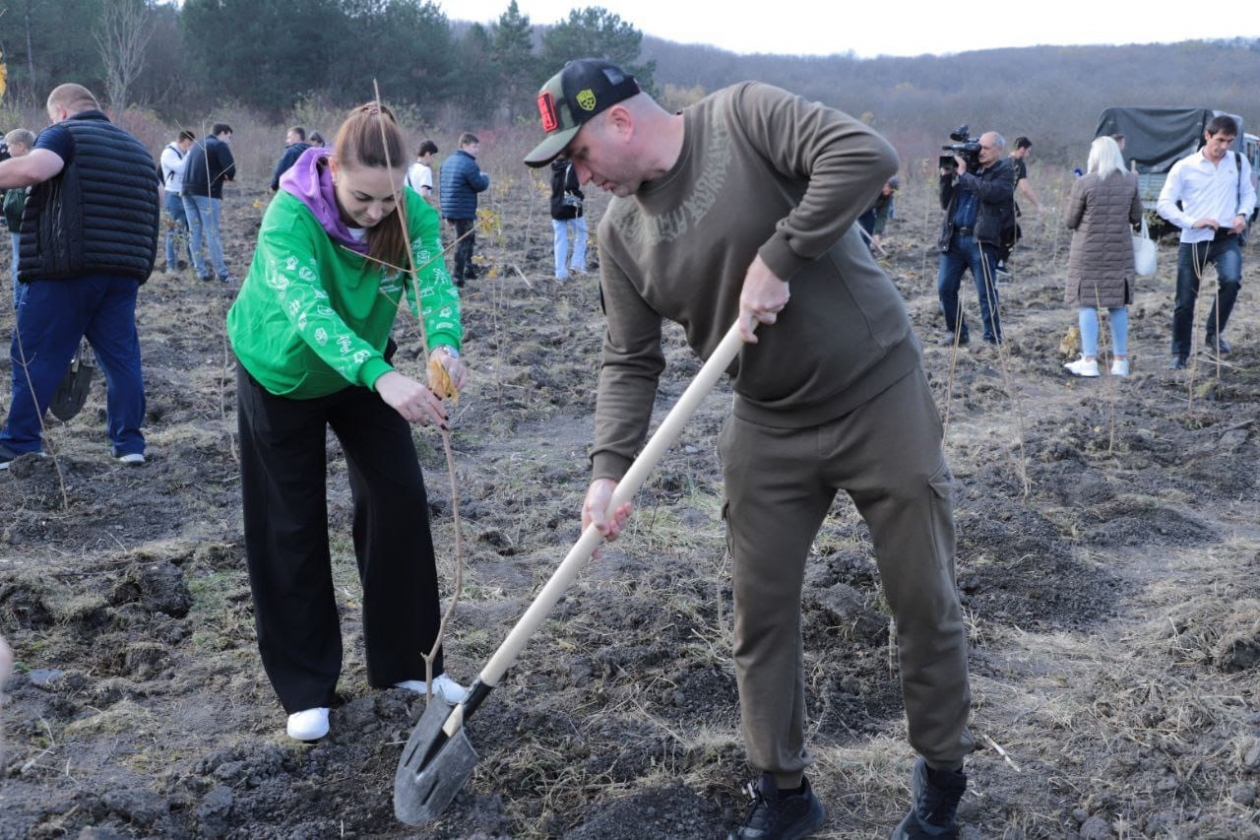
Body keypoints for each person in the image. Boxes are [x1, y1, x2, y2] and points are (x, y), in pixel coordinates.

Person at [524, 59, 974, 840]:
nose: (579, 175)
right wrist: (607, 475)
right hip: (766, 420)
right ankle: (784, 793)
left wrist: (781, 255)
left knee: (921, 599)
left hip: (878, 393)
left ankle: (940, 779)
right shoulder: (619, 232)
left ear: (619, 123)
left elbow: (866, 156)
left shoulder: (742, 117)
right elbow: (629, 362)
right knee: (758, 615)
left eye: (580, 155)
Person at [226, 102, 468, 742]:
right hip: (284, 370)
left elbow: (435, 281)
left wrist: (444, 344)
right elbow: (310, 315)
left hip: (364, 370)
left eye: (389, 200)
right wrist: (384, 377)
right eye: (363, 197)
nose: (377, 212)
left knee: (400, 499)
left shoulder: (406, 211)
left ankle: (410, 663)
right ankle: (306, 686)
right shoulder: (289, 217)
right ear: (332, 168)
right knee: (291, 521)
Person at [0, 83, 158, 470]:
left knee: (34, 355)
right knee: (122, 360)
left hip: (66, 268)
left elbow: (36, 168)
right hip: (122, 272)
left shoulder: (64, 134)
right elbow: (157, 197)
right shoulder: (136, 148)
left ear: (62, 112)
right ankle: (129, 443)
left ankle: (19, 443)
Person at [1156, 114, 1256, 369]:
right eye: (1220, 140)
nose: (1224, 147)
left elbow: (1249, 194)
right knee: (1185, 300)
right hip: (1194, 240)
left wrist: (1243, 215)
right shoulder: (1184, 166)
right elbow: (1164, 204)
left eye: (1230, 141)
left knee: (1232, 281)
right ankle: (1180, 353)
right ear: (1208, 136)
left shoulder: (1239, 162)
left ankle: (1213, 333)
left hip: (1226, 238)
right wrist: (1191, 221)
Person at [1063, 136, 1142, 378]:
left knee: (1088, 303)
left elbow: (1070, 221)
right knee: (1118, 304)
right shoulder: (1131, 180)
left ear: (1095, 156)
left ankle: (1089, 360)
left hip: (1088, 254)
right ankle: (1120, 362)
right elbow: (1136, 216)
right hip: (1120, 253)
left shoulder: (1085, 182)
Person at [936, 132, 1016, 346]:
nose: (981, 152)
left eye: (987, 148)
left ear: (999, 149)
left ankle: (992, 338)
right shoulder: (968, 169)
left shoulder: (1005, 171)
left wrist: (963, 175)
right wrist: (946, 176)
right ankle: (957, 332)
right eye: (980, 147)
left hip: (981, 240)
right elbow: (945, 203)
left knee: (985, 292)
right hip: (954, 239)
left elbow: (991, 193)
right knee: (945, 287)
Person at [181, 123, 236, 283]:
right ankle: (222, 274)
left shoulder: (197, 144)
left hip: (186, 192)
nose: (229, 141)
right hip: (206, 193)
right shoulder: (219, 145)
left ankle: (201, 272)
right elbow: (231, 170)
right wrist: (227, 176)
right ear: (223, 133)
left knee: (194, 232)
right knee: (212, 233)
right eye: (229, 137)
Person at [439, 133, 490, 285]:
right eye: (474, 146)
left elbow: (443, 187)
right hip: (463, 209)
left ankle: (469, 270)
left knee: (469, 238)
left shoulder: (447, 162)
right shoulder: (469, 164)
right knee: (463, 241)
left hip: (451, 207)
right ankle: (458, 275)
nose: (477, 150)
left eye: (478, 147)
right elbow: (479, 184)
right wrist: (485, 177)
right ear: (464, 145)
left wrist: (445, 213)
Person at [2, 128, 35, 307]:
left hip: (23, 226)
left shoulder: (27, 167)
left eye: (9, 145)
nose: (6, 149)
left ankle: (20, 301)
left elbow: (16, 203)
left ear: (21, 146)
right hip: (19, 225)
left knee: (20, 262)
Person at [159, 129, 196, 275]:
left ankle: (194, 264)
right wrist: (189, 153)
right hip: (173, 197)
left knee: (190, 231)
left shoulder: (183, 153)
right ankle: (171, 266)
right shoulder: (169, 153)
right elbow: (180, 168)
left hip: (186, 195)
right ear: (184, 141)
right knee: (174, 232)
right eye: (189, 143)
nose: (190, 146)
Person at [548, 157, 587, 280]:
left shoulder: (555, 167)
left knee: (560, 239)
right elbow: (570, 186)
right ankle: (577, 266)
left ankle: (560, 273)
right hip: (570, 205)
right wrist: (580, 196)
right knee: (582, 234)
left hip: (555, 206)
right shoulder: (572, 165)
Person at [856, 176, 899, 253]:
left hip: (867, 211)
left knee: (870, 225)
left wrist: (877, 234)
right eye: (888, 186)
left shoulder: (888, 198)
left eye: (891, 190)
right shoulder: (872, 188)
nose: (888, 191)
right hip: (854, 209)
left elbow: (882, 215)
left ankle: (866, 252)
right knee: (857, 231)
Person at [270, 125, 311, 191]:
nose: (287, 141)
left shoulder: (292, 151)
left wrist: (273, 187)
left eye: (289, 137)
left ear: (297, 137)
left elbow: (280, 171)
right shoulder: (312, 151)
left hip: (295, 191)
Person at [1010, 136, 1041, 215]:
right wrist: (1038, 205)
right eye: (1028, 151)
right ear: (1022, 149)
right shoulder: (1019, 165)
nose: (1028, 155)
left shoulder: (1002, 162)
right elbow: (1025, 189)